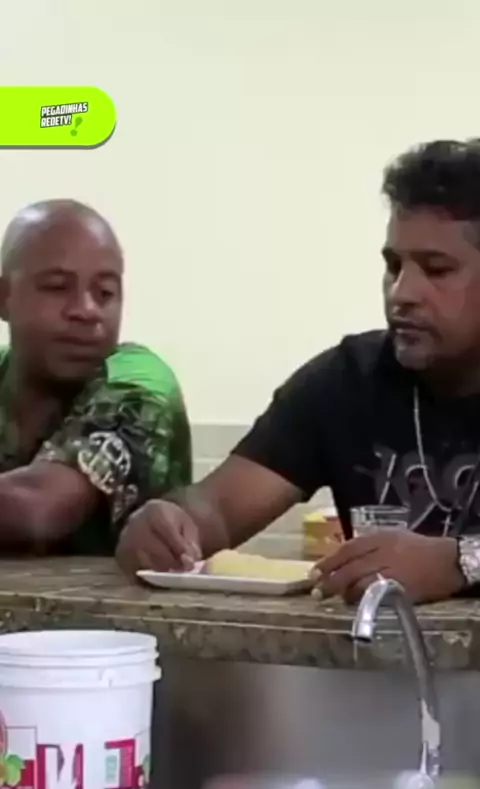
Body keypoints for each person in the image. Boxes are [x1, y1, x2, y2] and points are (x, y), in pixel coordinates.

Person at [117, 138, 480, 604]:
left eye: (436, 270)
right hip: (373, 651)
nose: (402, 293)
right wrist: (167, 524)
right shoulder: (346, 381)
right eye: (394, 266)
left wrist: (459, 562)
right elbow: (218, 508)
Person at [0, 198, 191, 555]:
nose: (87, 311)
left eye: (105, 293)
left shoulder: (139, 382)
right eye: (57, 287)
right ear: (3, 297)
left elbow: (37, 510)